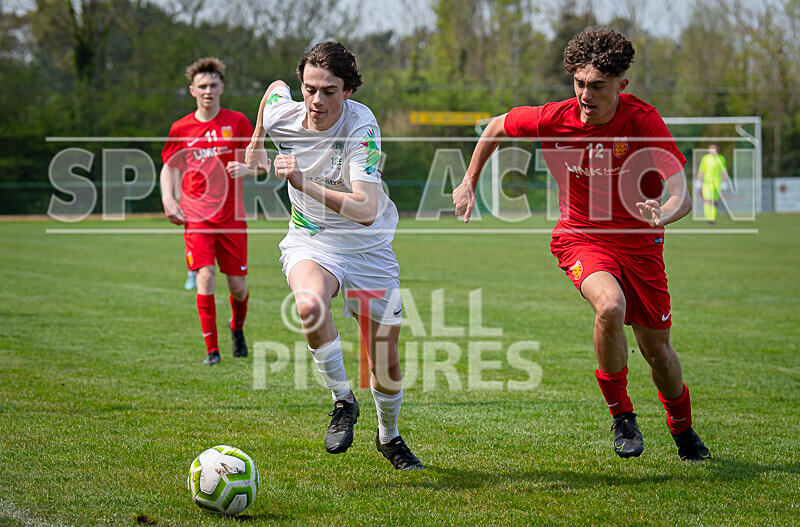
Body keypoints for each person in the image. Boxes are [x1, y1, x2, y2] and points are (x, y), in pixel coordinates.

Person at [453, 27, 711, 462]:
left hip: (641, 245)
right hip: (581, 238)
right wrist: (468, 181)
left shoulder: (644, 121)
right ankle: (622, 416)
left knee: (658, 354)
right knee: (609, 305)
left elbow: (681, 194)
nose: (585, 95)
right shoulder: (556, 117)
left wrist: (663, 212)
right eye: (578, 83)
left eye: (597, 86)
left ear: (621, 86)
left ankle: (683, 432)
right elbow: (497, 126)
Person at [245, 41, 423, 470]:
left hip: (369, 249)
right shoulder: (284, 114)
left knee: (385, 361)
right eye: (309, 89)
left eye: (329, 91)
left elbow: (365, 210)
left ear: (348, 91)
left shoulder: (362, 128)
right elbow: (272, 90)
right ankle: (343, 401)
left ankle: (389, 437)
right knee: (308, 304)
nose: (316, 100)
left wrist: (304, 183)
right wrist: (254, 144)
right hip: (313, 240)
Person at [160, 57, 257, 366]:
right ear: (192, 90)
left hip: (232, 217)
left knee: (238, 288)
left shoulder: (238, 122)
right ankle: (212, 352)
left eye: (213, 85)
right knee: (205, 278)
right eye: (202, 86)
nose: (208, 91)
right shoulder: (181, 128)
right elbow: (168, 167)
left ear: (222, 88)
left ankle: (236, 329)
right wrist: (169, 199)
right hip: (197, 217)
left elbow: (262, 161)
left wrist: (247, 167)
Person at [695, 144, 730, 223]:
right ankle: (708, 217)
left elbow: (723, 171)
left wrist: (725, 182)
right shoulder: (706, 159)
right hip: (707, 184)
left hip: (717, 184)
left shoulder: (721, 159)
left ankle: (713, 217)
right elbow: (701, 170)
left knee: (714, 201)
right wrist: (699, 180)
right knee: (707, 200)